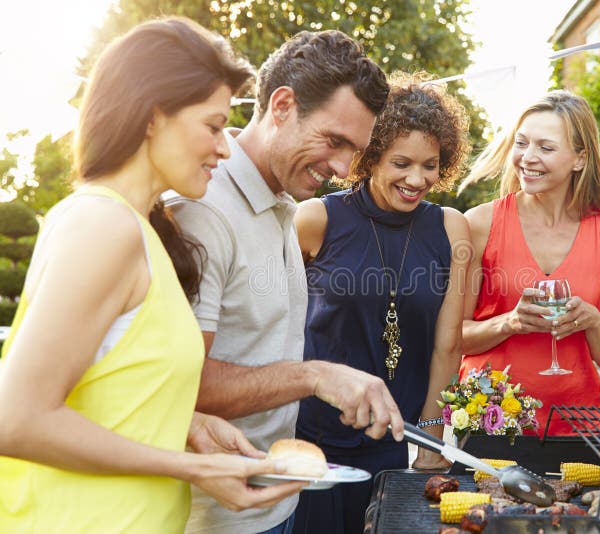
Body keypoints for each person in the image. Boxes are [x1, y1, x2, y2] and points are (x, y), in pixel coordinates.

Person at [0, 18, 307, 534]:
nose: (225, 147)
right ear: (152, 117)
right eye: (212, 126)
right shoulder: (103, 225)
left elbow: (109, 392)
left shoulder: (142, 230)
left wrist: (190, 426)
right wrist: (193, 468)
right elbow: (17, 419)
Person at [167, 30, 405, 534]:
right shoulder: (201, 209)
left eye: (354, 151)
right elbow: (179, 385)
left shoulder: (284, 204)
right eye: (334, 141)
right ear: (281, 105)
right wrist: (315, 376)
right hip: (215, 518)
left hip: (274, 501)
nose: (343, 168)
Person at [292, 71, 472, 534]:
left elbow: (447, 344)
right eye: (401, 163)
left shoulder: (451, 227)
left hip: (394, 443)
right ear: (370, 156)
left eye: (430, 165)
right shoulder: (315, 220)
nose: (417, 179)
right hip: (311, 441)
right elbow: (274, 324)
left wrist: (431, 441)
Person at [458, 90, 600, 436]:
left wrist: (593, 321)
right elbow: (453, 337)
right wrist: (509, 322)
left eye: (545, 148)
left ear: (579, 159)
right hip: (491, 422)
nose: (527, 158)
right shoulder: (478, 223)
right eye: (521, 143)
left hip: (576, 422)